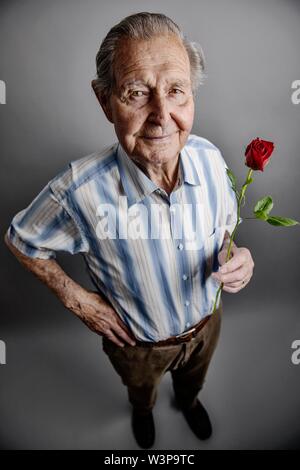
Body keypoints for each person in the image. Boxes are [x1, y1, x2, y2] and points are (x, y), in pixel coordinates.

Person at [5, 12, 254, 449]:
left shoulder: (211, 157)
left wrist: (239, 256)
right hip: (137, 345)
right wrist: (76, 299)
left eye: (176, 91)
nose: (162, 116)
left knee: (193, 382)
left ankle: (190, 401)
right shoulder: (77, 191)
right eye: (137, 93)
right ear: (105, 102)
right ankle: (143, 412)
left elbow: (225, 227)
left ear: (191, 95)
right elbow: (20, 239)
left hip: (206, 326)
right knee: (142, 392)